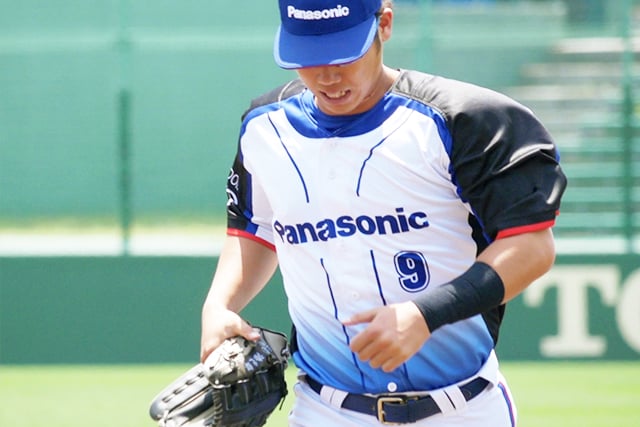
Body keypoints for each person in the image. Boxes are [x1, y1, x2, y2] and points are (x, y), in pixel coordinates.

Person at [200, 0, 567, 425]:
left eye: (343, 54)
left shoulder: (463, 120)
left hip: (462, 408)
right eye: (308, 56)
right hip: (326, 410)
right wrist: (219, 305)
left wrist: (427, 314)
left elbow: (532, 247)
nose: (327, 75)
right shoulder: (265, 128)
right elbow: (255, 229)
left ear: (384, 25)